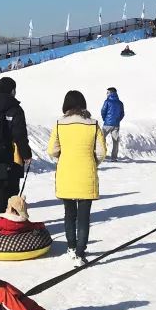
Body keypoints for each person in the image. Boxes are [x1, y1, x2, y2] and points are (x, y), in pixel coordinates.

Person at [48, 90, 107, 267]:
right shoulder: (93, 124)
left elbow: (52, 150)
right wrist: (92, 162)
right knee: (84, 216)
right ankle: (81, 252)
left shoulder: (59, 124)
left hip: (66, 173)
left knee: (69, 214)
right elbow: (101, 152)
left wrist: (62, 155)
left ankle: (71, 247)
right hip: (86, 174)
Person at [0, 77, 32, 213]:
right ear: (13, 90)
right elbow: (20, 135)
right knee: (13, 189)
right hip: (11, 155)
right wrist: (26, 154)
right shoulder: (16, 110)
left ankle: (1, 220)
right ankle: (12, 222)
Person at [100, 87, 125, 161]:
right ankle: (114, 158)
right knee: (115, 141)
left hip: (107, 124)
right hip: (116, 125)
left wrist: (105, 119)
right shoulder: (120, 103)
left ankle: (101, 156)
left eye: (107, 92)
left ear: (111, 93)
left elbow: (103, 111)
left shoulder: (107, 101)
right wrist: (118, 120)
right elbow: (122, 114)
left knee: (101, 139)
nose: (106, 94)